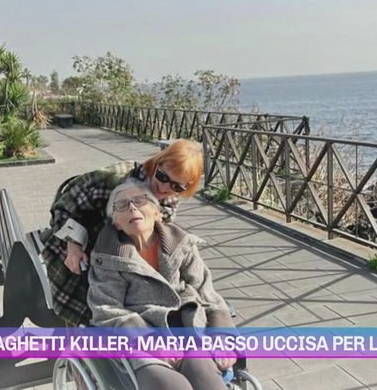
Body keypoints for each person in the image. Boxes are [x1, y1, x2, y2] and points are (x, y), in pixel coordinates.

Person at [87, 180, 236, 390]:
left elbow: (207, 294)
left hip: (188, 330)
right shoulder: (109, 258)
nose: (132, 207)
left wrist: (222, 336)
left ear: (157, 212)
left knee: (202, 370)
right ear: (116, 223)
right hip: (140, 338)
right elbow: (106, 309)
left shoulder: (182, 245)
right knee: (172, 386)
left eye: (140, 200)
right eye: (122, 205)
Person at [41, 139, 204, 326]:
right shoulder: (116, 176)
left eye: (176, 186)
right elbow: (65, 205)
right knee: (82, 315)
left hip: (120, 263)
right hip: (81, 250)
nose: (164, 188)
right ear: (157, 163)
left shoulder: (170, 202)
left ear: (186, 187)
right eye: (162, 176)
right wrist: (73, 245)